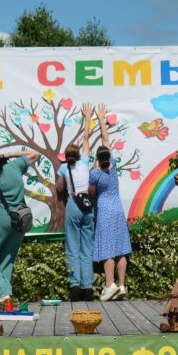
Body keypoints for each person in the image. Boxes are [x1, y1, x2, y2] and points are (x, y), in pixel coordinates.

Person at [0, 149, 40, 302]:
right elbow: (34, 154)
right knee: (7, 258)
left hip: (0, 220)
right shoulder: (14, 166)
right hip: (21, 219)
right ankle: (4, 297)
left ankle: (2, 291)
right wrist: (7, 155)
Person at [89, 103, 132, 301]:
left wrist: (93, 166)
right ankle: (122, 285)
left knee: (107, 249)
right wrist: (101, 118)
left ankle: (109, 285)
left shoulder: (95, 174)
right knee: (121, 248)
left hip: (105, 210)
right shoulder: (113, 167)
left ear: (98, 159)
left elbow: (90, 193)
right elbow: (107, 140)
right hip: (118, 209)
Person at [57, 104, 95, 301]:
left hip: (73, 203)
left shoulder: (64, 168)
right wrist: (87, 118)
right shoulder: (86, 162)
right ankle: (88, 288)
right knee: (87, 248)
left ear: (66, 157)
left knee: (73, 247)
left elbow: (59, 189)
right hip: (87, 205)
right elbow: (86, 139)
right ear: (79, 155)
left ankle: (75, 287)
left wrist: (61, 175)